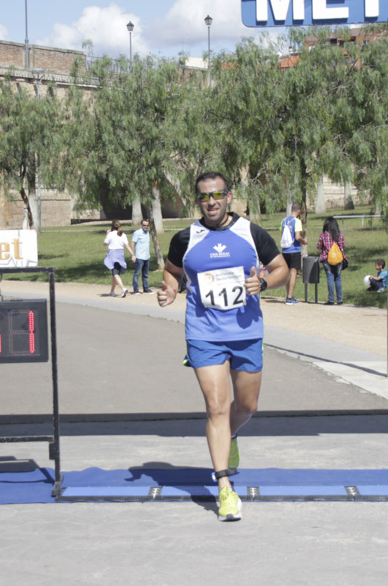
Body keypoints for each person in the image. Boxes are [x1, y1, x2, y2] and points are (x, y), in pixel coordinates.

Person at [156, 171, 287, 522]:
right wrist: (170, 290)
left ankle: (230, 435)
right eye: (203, 197)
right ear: (196, 200)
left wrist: (264, 281)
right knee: (216, 406)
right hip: (204, 333)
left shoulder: (251, 232)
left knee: (246, 405)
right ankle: (225, 489)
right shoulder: (186, 238)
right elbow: (171, 272)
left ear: (229, 196)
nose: (211, 202)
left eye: (217, 195)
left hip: (246, 331)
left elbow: (281, 269)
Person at [280, 202, 306, 305]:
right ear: (299, 210)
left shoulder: (283, 221)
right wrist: (304, 241)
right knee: (293, 273)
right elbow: (297, 237)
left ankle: (288, 295)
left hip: (285, 250)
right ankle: (290, 297)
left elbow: (282, 235)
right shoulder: (297, 221)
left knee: (287, 274)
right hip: (294, 249)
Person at [316, 217, 346, 305]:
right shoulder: (340, 234)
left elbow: (319, 246)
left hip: (327, 259)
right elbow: (343, 246)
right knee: (338, 278)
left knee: (330, 278)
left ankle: (331, 299)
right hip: (338, 259)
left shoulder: (323, 235)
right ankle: (339, 300)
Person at [103, 220, 135, 298]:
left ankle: (123, 288)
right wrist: (133, 255)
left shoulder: (110, 234)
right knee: (115, 273)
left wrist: (107, 234)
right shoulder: (123, 234)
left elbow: (105, 244)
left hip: (113, 254)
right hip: (120, 254)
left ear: (112, 226)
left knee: (115, 273)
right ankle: (112, 291)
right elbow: (127, 246)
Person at [131, 219, 154, 294]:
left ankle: (146, 288)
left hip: (147, 256)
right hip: (139, 256)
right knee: (137, 274)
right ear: (141, 225)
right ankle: (136, 289)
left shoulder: (147, 233)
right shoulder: (137, 233)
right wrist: (133, 255)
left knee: (145, 274)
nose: (146, 227)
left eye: (147, 225)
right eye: (144, 225)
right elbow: (132, 244)